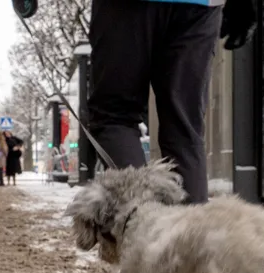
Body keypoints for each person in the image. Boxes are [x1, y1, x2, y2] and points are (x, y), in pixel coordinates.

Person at [86, 0, 255, 204]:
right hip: (201, 6)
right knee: (184, 129)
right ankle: (192, 233)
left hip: (126, 7)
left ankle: (143, 222)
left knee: (114, 117)